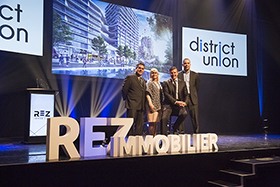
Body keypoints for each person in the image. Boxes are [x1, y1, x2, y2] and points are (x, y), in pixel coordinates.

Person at [161, 66, 188, 135]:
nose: (173, 74)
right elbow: (167, 94)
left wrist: (185, 103)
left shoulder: (182, 83)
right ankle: (164, 137)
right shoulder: (166, 83)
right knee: (164, 118)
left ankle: (175, 127)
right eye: (172, 73)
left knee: (184, 113)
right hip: (169, 105)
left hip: (179, 105)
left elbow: (186, 94)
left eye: (175, 73)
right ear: (170, 73)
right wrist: (176, 102)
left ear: (177, 73)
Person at [122, 62, 146, 136]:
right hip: (132, 105)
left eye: (142, 69)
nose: (140, 70)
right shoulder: (130, 77)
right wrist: (128, 100)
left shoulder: (143, 80)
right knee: (130, 125)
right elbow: (124, 90)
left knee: (139, 125)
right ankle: (130, 140)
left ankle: (137, 142)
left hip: (141, 106)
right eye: (139, 68)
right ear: (136, 69)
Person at [178, 58, 200, 133]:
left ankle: (196, 133)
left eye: (188, 63)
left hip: (192, 98)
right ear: (182, 65)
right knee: (182, 115)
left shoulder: (195, 75)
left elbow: (197, 86)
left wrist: (192, 94)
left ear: (190, 64)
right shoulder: (179, 74)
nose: (186, 65)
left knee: (194, 117)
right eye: (185, 63)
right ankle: (181, 133)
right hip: (183, 98)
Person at [146, 68, 164, 137]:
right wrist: (150, 104)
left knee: (156, 122)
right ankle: (151, 137)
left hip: (158, 105)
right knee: (151, 122)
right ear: (150, 74)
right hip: (151, 105)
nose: (154, 74)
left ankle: (155, 136)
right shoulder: (149, 82)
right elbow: (147, 94)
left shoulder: (158, 83)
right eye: (152, 73)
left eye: (155, 73)